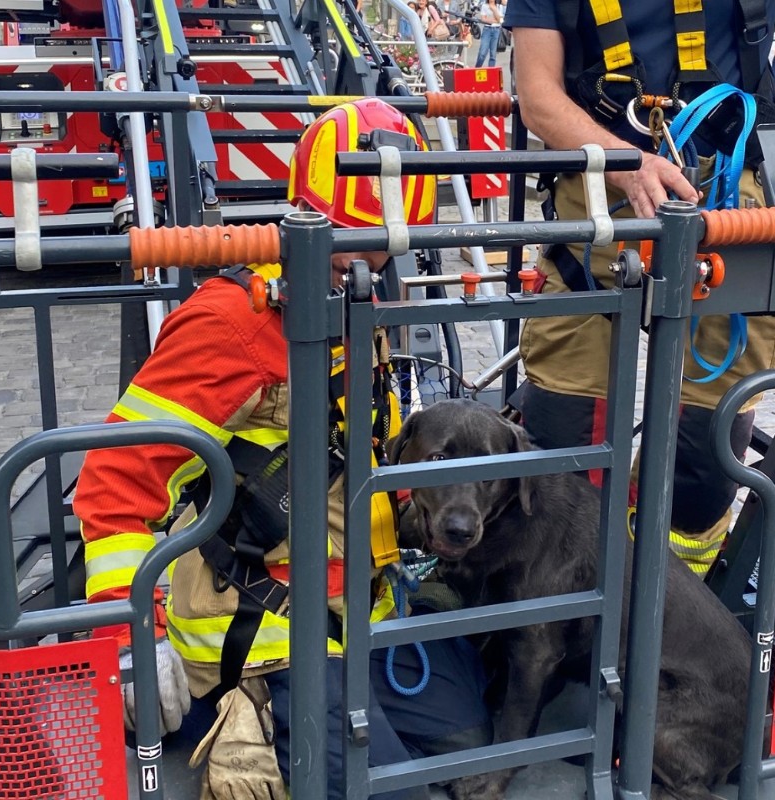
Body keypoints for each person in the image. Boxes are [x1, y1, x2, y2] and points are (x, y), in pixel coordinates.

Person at [73, 98, 492, 800]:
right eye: (347, 242)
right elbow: (115, 480)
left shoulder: (352, 299)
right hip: (265, 631)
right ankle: (249, 715)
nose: (366, 263)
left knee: (469, 743)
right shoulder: (231, 325)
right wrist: (129, 637)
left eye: (383, 245)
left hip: (359, 611)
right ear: (302, 214)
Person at [502, 0, 775, 576]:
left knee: (704, 457)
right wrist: (627, 162)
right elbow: (538, 94)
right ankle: (571, 588)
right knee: (564, 435)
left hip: (733, 200)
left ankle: (673, 593)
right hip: (598, 201)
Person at [474, 0, 503, 67]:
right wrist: (494, 20)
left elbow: (501, 20)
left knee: (493, 54)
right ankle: (477, 68)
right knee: (482, 53)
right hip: (487, 29)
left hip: (496, 30)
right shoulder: (485, 6)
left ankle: (491, 71)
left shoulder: (499, 6)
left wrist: (494, 10)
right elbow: (483, 19)